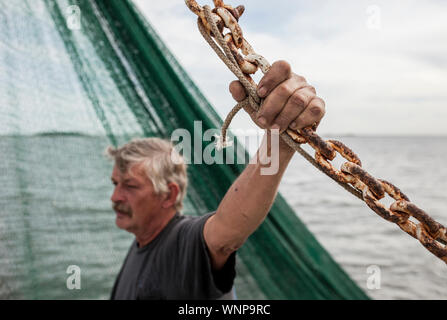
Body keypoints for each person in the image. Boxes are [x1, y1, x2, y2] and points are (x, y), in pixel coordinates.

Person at [107, 61, 325, 300]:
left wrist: (279, 142)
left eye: (130, 186)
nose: (115, 197)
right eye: (115, 184)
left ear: (169, 194)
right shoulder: (141, 245)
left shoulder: (182, 242)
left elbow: (226, 234)